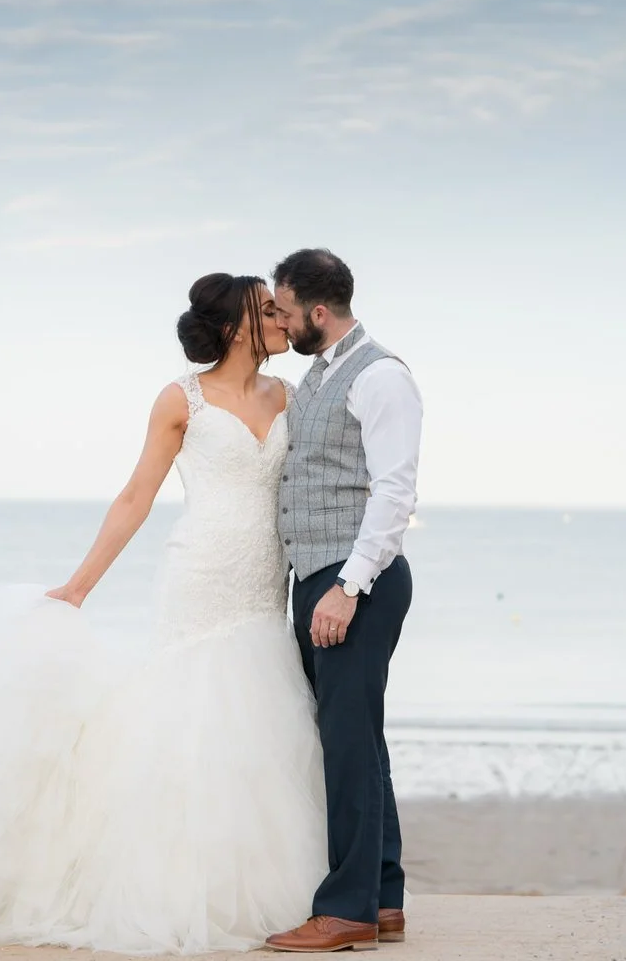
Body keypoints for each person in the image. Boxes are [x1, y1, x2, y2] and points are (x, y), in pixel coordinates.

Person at [0, 273, 329, 954]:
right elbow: (136, 495)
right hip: (199, 577)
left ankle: (266, 890)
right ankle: (179, 889)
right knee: (193, 724)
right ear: (235, 327)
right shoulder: (182, 399)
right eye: (267, 310)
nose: (280, 318)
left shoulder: (291, 395)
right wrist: (79, 585)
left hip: (266, 587)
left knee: (263, 727)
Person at [264, 248, 424, 953]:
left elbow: (395, 491)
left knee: (346, 745)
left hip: (354, 581)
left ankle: (347, 909)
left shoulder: (383, 375)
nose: (283, 320)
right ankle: (383, 898)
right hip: (321, 576)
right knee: (359, 737)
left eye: (286, 309)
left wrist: (347, 587)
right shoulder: (318, 374)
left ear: (317, 312)